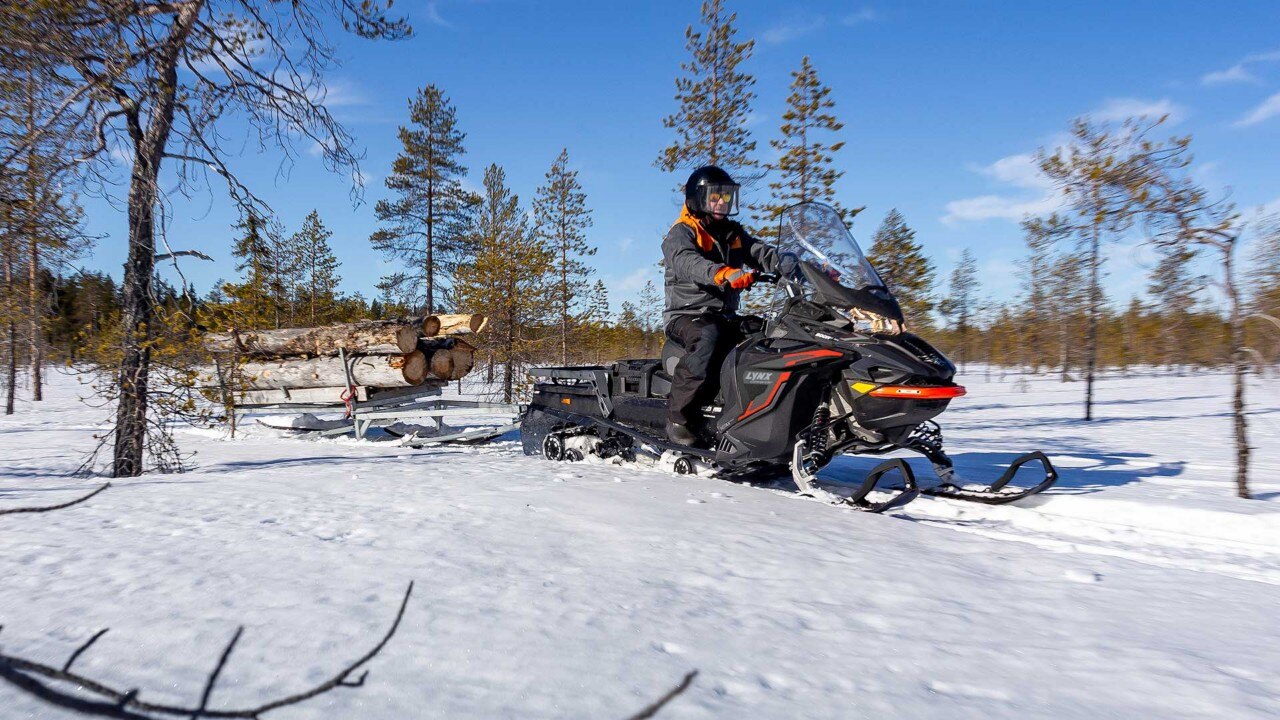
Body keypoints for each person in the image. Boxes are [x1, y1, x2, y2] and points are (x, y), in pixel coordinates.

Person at [661, 165, 796, 446]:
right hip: (686, 315)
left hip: (723, 315)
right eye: (715, 196)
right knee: (708, 337)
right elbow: (687, 262)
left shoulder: (732, 233)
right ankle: (679, 419)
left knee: (769, 333)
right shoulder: (682, 232)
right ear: (698, 198)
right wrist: (723, 273)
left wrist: (794, 264)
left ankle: (756, 413)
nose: (722, 202)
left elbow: (759, 252)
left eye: (726, 196)